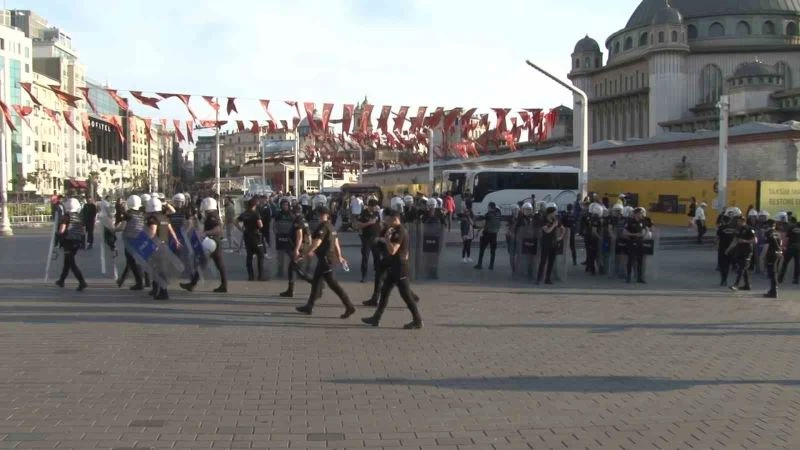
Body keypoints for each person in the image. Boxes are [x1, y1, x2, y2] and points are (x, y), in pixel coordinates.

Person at [361, 209, 423, 329]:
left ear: (395, 219)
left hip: (400, 267)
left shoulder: (400, 231)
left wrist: (386, 240)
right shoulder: (395, 229)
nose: (386, 222)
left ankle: (418, 320)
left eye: (388, 220)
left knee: (406, 296)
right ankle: (376, 318)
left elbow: (393, 250)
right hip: (394, 266)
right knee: (384, 292)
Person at [295, 206, 356, 318]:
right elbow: (336, 243)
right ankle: (309, 306)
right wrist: (340, 256)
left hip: (326, 259)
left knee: (333, 285)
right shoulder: (331, 226)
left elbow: (317, 243)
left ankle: (349, 306)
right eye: (318, 214)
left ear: (325, 215)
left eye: (320, 214)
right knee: (316, 282)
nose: (318, 216)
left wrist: (305, 253)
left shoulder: (323, 227)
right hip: (327, 259)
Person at [181, 197, 228, 293]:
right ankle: (223, 285)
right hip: (214, 242)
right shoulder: (212, 214)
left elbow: (218, 229)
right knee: (215, 264)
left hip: (212, 242)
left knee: (204, 263)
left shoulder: (212, 216)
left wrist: (205, 233)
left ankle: (192, 284)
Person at [145, 196, 181, 300]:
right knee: (160, 268)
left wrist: (147, 244)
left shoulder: (153, 219)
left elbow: (152, 232)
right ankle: (156, 289)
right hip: (164, 245)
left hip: (156, 246)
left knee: (157, 269)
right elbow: (171, 230)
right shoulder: (164, 217)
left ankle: (163, 292)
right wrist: (176, 240)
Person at [279, 204, 313, 297]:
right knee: (293, 268)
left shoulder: (298, 221)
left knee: (298, 270)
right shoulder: (304, 219)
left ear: (293, 212)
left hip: (300, 247)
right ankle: (290, 290)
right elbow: (309, 235)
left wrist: (297, 249)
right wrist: (309, 247)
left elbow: (300, 236)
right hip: (304, 247)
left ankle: (315, 283)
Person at [55, 197, 88, 291]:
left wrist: (57, 234)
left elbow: (62, 230)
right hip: (77, 241)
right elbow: (82, 230)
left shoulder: (66, 216)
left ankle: (82, 282)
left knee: (71, 263)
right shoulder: (79, 217)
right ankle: (61, 280)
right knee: (67, 261)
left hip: (68, 241)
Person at [116, 195, 145, 290]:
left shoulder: (128, 214)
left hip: (130, 240)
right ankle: (122, 280)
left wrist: (113, 230)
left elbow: (122, 227)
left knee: (131, 261)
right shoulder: (141, 213)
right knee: (133, 261)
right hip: (140, 239)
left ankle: (139, 282)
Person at [237, 197, 266, 281]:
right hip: (255, 235)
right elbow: (260, 225)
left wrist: (241, 228)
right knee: (260, 255)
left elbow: (235, 221)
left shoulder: (244, 213)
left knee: (249, 255)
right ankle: (260, 275)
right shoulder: (255, 214)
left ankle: (251, 275)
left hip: (247, 235)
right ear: (254, 205)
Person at [355, 199, 383, 283]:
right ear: (369, 206)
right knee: (365, 258)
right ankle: (364, 276)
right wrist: (369, 223)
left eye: (376, 207)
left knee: (377, 258)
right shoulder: (363, 213)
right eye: (373, 207)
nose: (375, 208)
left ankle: (378, 275)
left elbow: (379, 224)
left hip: (376, 238)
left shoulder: (377, 213)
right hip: (367, 238)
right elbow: (358, 225)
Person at [728, 215, 755, 291]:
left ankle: (736, 284)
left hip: (747, 251)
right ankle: (747, 285)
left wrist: (745, 241)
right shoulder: (738, 229)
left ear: (744, 221)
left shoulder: (749, 229)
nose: (738, 222)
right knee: (743, 268)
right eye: (738, 221)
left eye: (740, 221)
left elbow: (754, 240)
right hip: (739, 251)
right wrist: (729, 248)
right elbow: (735, 240)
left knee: (742, 268)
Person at [474, 202, 501, 270]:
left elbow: (483, 223)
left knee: (482, 249)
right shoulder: (498, 214)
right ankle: (491, 265)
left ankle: (479, 264)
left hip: (487, 233)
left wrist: (478, 231)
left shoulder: (488, 214)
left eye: (488, 207)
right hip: (494, 234)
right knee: (493, 251)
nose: (487, 208)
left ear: (490, 207)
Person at [623, 207, 647, 283]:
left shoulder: (642, 221)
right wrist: (634, 234)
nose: (642, 214)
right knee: (630, 260)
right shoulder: (630, 221)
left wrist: (644, 234)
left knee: (640, 261)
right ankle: (629, 277)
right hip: (632, 242)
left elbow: (644, 230)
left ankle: (639, 278)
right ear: (636, 214)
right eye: (640, 213)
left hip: (640, 242)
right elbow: (624, 232)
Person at [716, 208, 738, 286]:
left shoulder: (722, 228)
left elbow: (717, 239)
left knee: (724, 265)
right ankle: (724, 279)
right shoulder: (732, 229)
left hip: (726, 249)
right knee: (726, 265)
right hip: (728, 249)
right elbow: (718, 238)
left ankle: (724, 280)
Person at [763, 219, 782, 298]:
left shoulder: (768, 233)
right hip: (777, 253)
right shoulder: (778, 233)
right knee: (774, 272)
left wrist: (764, 255)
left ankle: (773, 292)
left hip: (771, 254)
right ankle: (772, 290)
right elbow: (780, 243)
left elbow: (767, 245)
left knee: (772, 273)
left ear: (768, 225)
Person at [779, 213, 800, 285]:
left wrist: (784, 246)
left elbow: (787, 239)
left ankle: (780, 278)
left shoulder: (790, 228)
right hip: (798, 247)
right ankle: (796, 279)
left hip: (791, 247)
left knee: (785, 262)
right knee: (797, 263)